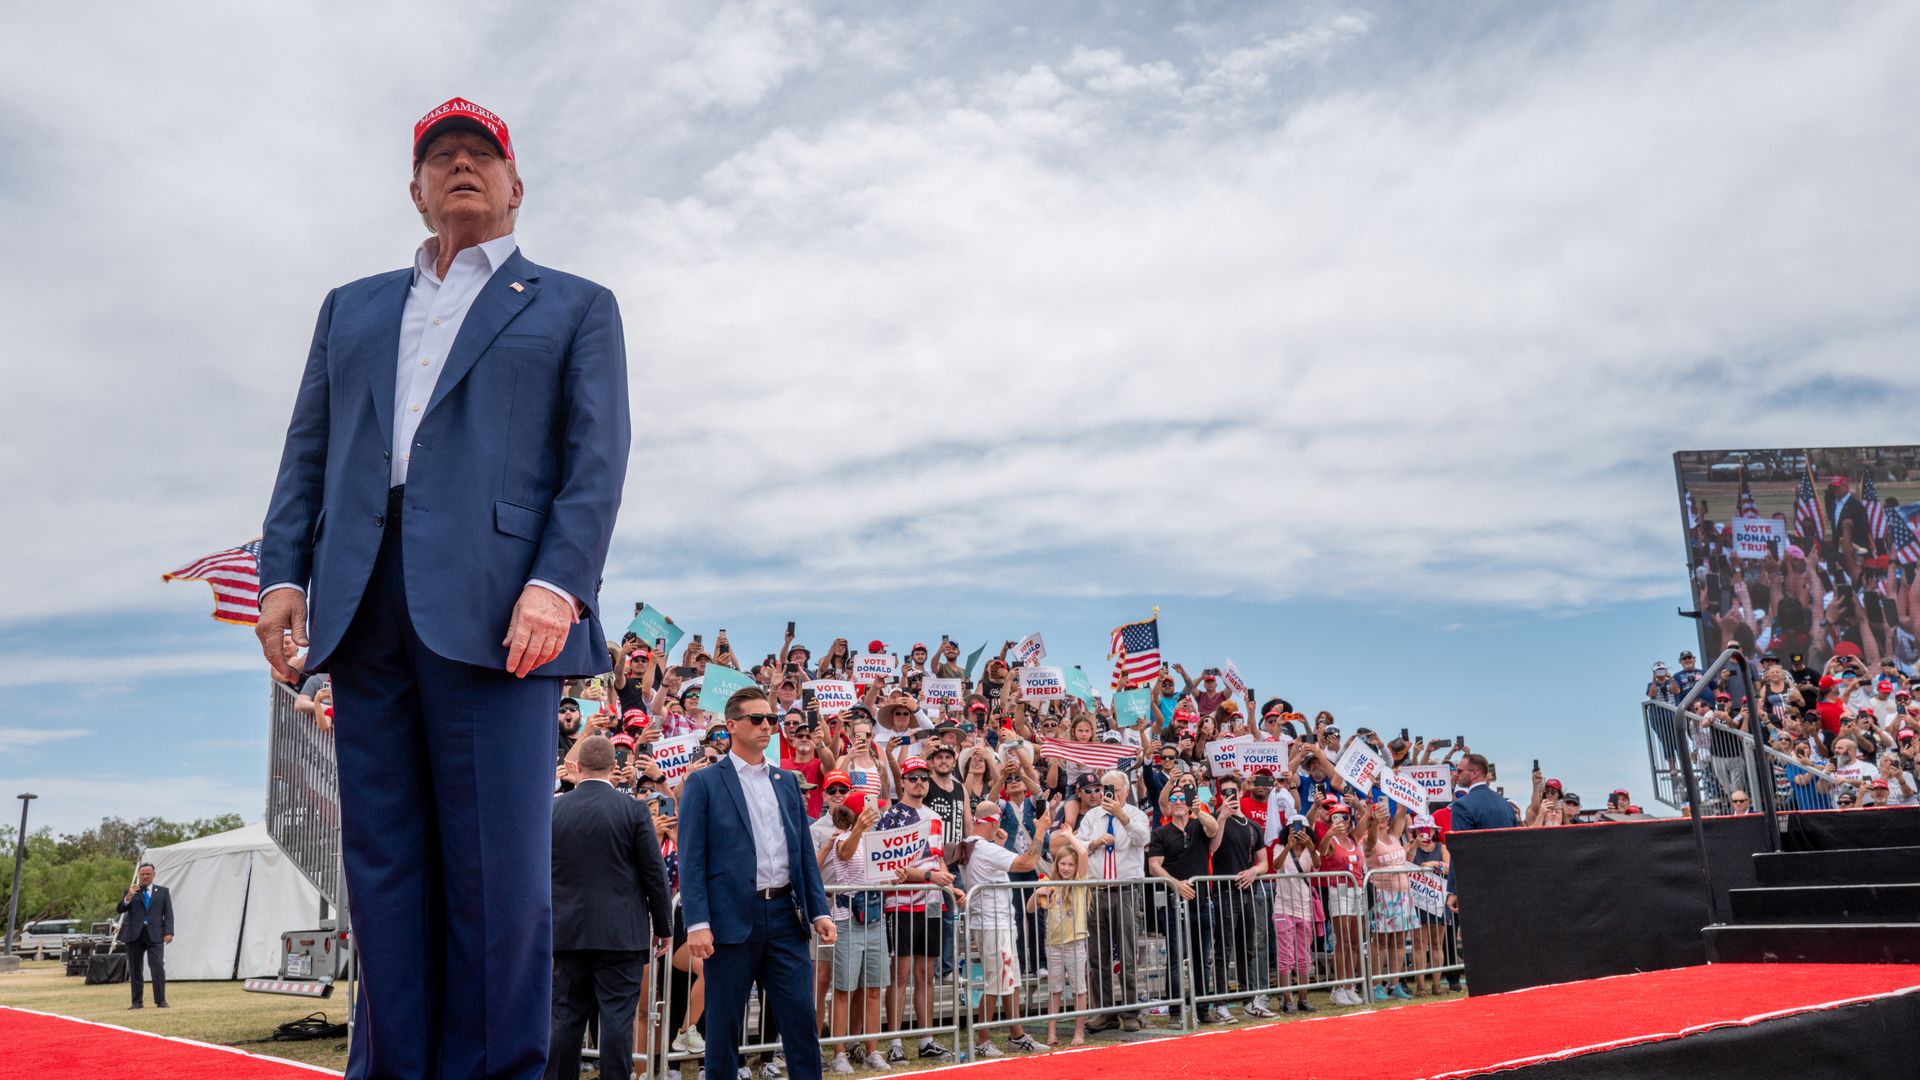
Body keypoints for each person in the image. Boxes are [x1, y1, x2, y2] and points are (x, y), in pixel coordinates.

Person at [256, 97, 630, 1078]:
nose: (461, 166)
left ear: (516, 186)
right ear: (414, 189)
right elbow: (309, 449)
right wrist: (281, 574)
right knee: (381, 870)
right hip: (364, 601)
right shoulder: (353, 305)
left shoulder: (575, 304)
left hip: (504, 614)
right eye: (440, 156)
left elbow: (595, 458)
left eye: (482, 154)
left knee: (497, 878)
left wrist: (558, 583)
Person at [680, 688, 836, 1080]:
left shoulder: (787, 781)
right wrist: (697, 923)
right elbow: (691, 859)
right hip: (730, 920)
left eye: (772, 719)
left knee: (801, 1020)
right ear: (731, 726)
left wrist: (818, 909)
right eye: (757, 719)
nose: (767, 725)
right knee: (723, 1027)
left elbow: (801, 851)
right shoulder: (704, 784)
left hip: (785, 916)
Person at [546, 736, 674, 1080]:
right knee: (617, 1020)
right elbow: (654, 872)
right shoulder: (632, 809)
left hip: (569, 931)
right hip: (620, 934)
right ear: (613, 768)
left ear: (578, 767)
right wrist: (664, 927)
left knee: (565, 1019)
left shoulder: (555, 809)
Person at [958, 800, 1050, 1057]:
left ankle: (1016, 1034)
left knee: (1011, 980)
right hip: (993, 921)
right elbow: (1027, 862)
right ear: (994, 822)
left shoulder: (973, 845)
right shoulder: (984, 849)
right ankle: (983, 1040)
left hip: (995, 920)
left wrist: (999, 844)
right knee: (996, 983)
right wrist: (1040, 831)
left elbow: (990, 868)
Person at [1075, 770, 1150, 1032]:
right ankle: (1105, 1011)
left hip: (1126, 890)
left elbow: (1143, 839)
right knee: (1098, 956)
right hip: (1097, 891)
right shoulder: (1092, 817)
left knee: (1128, 953)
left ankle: (1130, 1011)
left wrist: (1122, 815)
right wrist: (1094, 842)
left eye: (1115, 789)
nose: (1109, 793)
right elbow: (1078, 845)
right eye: (1105, 788)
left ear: (1125, 791)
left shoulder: (1136, 814)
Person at [1028, 832, 1093, 1045]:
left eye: (1070, 865)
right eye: (1062, 864)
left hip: (1075, 943)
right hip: (1053, 944)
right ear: (1056, 865)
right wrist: (1038, 892)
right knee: (1055, 990)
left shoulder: (1079, 884)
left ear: (1076, 868)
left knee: (1078, 989)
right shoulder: (1051, 885)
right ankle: (1052, 1033)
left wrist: (1068, 837)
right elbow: (1030, 908)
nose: (1066, 868)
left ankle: (1079, 1033)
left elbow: (1083, 853)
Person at [115, 863, 173, 1009]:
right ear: (138, 876)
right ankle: (136, 1002)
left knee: (158, 966)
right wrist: (128, 897)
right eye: (142, 874)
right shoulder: (132, 891)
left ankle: (160, 1000)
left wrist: (169, 932)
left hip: (155, 934)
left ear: (154, 875)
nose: (145, 877)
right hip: (134, 935)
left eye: (148, 874)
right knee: (135, 969)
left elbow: (169, 914)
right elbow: (120, 909)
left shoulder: (163, 892)